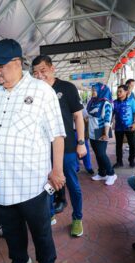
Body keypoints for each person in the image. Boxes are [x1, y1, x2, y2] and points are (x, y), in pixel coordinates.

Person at [0, 39, 66, 263]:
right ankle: (20, 260)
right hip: (0, 179)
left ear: (17, 63)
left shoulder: (41, 91)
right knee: (11, 229)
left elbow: (57, 134)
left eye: (2, 66)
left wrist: (57, 169)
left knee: (40, 228)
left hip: (32, 180)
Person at [32, 54, 86, 236]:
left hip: (68, 147)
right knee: (45, 184)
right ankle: (49, 214)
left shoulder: (67, 88)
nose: (39, 75)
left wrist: (81, 143)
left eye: (43, 71)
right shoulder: (33, 92)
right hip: (42, 149)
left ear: (52, 68)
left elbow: (78, 117)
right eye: (35, 73)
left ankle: (77, 218)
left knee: (72, 185)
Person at [88, 83, 117, 186]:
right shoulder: (92, 102)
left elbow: (107, 119)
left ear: (101, 91)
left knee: (102, 154)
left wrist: (105, 133)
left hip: (101, 131)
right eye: (92, 90)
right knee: (98, 154)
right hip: (92, 132)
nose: (93, 92)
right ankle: (102, 173)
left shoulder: (106, 103)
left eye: (95, 90)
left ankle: (111, 174)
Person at [112, 84, 135, 168]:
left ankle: (131, 159)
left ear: (126, 92)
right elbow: (111, 114)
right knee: (118, 145)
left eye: (120, 91)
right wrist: (111, 122)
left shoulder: (131, 101)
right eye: (118, 91)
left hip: (129, 126)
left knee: (133, 144)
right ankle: (119, 161)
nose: (118, 93)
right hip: (118, 127)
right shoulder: (114, 102)